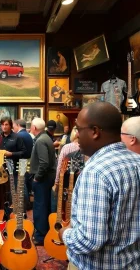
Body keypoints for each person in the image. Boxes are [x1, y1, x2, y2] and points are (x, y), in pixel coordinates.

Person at [59, 102, 140, 269]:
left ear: (95, 131)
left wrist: (64, 234)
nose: (76, 135)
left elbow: (89, 241)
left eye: (78, 129)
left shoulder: (97, 172)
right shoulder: (136, 161)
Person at [29, 117, 56, 246]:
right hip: (47, 178)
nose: (30, 129)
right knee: (44, 206)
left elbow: (44, 163)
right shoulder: (46, 138)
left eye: (31, 127)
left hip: (43, 179)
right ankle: (43, 233)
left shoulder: (40, 140)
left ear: (34, 128)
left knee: (40, 207)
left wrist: (37, 177)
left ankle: (40, 236)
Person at [0, 117, 26, 188]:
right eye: (2, 124)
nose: (4, 126)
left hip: (13, 169)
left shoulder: (17, 137)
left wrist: (11, 154)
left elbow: (24, 152)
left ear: (10, 126)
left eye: (6, 124)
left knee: (14, 189)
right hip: (0, 169)